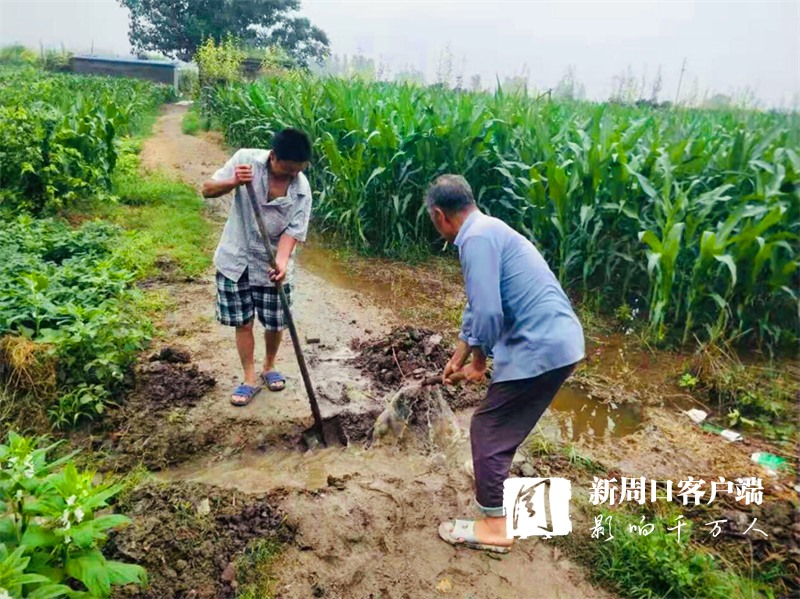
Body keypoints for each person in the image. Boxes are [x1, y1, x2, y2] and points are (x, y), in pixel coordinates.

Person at [428, 174, 585, 553]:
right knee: (501, 430)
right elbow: (476, 307)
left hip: (540, 346)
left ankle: (495, 528)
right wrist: (458, 356)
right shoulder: (488, 229)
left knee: (487, 429)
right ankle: (499, 495)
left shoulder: (475, 240)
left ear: (439, 215)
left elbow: (488, 312)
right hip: (559, 341)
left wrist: (479, 361)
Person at [202, 129, 313, 406]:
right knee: (243, 322)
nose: (292, 176)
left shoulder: (302, 189)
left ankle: (269, 366)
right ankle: (249, 378)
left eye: (297, 171)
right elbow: (207, 189)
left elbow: (294, 230)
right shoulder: (246, 161)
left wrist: (282, 261)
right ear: (273, 156)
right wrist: (233, 182)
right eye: (287, 169)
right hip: (236, 259)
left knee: (276, 322)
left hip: (271, 263)